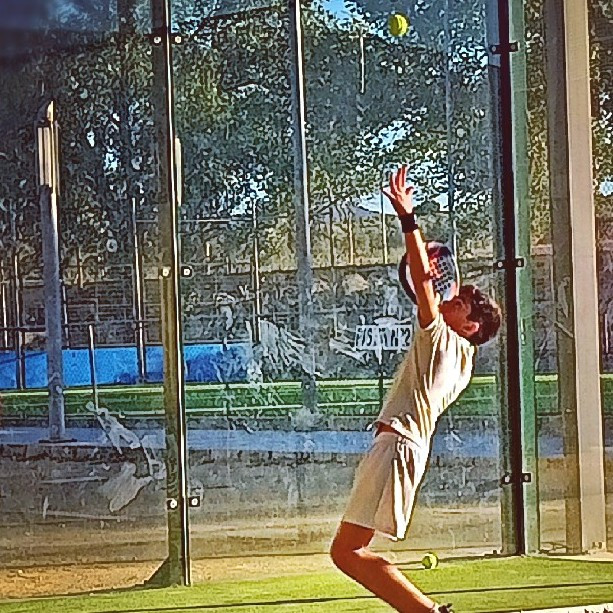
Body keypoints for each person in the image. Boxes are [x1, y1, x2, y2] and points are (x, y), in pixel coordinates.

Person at [330, 165, 502, 613]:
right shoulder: (465, 360)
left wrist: (407, 217)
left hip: (398, 444)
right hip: (405, 445)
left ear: (471, 326)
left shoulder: (442, 339)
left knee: (346, 552)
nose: (451, 300)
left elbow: (425, 283)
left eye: (460, 303)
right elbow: (428, 285)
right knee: (350, 550)